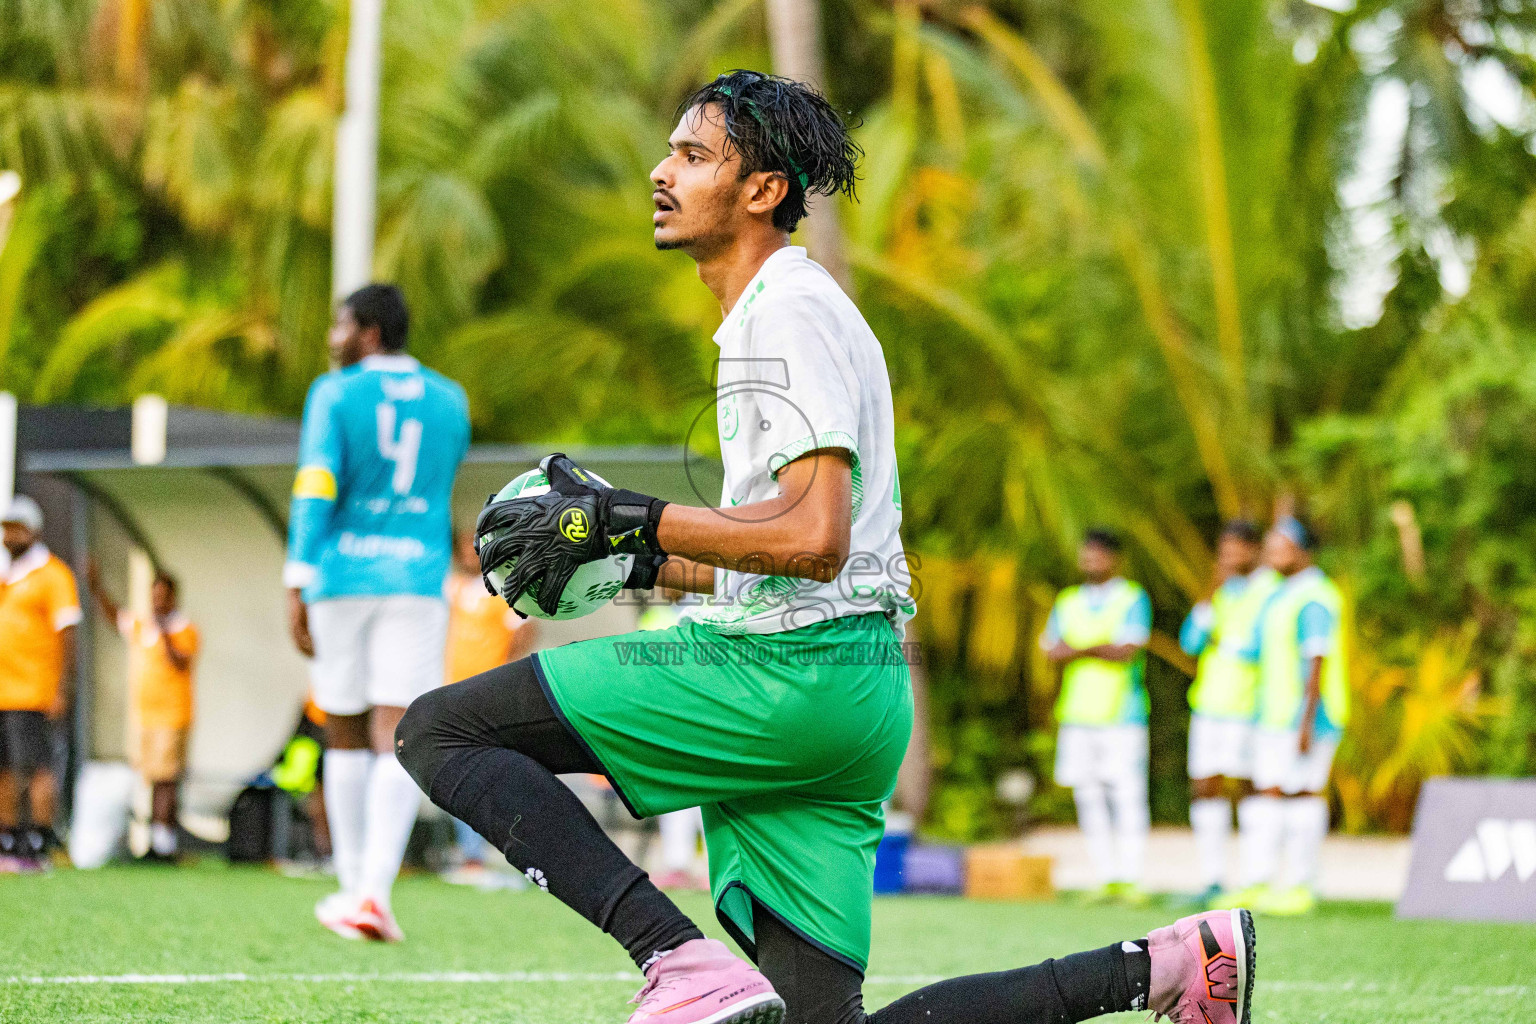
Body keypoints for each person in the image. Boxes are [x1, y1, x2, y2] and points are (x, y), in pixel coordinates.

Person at [394, 71, 1255, 1024]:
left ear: (763, 191)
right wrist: (641, 558)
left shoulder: (787, 312)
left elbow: (814, 539)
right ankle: (1165, 966)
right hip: (848, 688)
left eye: (691, 155)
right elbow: (785, 546)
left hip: (786, 677)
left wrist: (631, 521)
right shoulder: (777, 314)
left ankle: (672, 959)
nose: (660, 171)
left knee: (438, 731)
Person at [284, 283, 471, 941]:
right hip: (417, 576)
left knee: (342, 726)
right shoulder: (451, 400)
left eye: (340, 325)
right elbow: (437, 486)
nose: (333, 337)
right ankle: (374, 892)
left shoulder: (333, 393)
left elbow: (317, 481)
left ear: (366, 331)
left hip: (340, 573)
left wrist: (296, 575)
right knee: (397, 726)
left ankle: (350, 884)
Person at [1230, 516, 1349, 917]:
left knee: (1302, 795)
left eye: (1280, 546)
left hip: (1306, 718)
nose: (1271, 553)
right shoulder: (1282, 593)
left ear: (1302, 551)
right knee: (1270, 794)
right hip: (1274, 717)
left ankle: (1300, 885)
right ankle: (1260, 881)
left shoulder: (1314, 595)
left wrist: (1307, 723)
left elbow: (1316, 661)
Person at [1041, 528, 1154, 905]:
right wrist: (1097, 647)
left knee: (1126, 792)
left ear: (1114, 559)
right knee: (1087, 793)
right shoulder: (1068, 599)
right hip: (1077, 712)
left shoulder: (1132, 596)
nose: (1090, 560)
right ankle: (1105, 875)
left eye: (1098, 554)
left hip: (1121, 712)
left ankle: (1131, 876)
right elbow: (1051, 651)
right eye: (1086, 553)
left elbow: (1126, 650)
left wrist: (1078, 648)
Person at [1178, 521, 1278, 906]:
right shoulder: (1222, 591)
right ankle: (1212, 879)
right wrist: (1210, 593)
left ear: (1254, 550)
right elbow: (1191, 641)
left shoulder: (1270, 590)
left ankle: (1256, 876)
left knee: (1250, 786)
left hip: (1250, 707)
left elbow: (1261, 647)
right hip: (1209, 703)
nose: (1229, 558)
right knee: (1205, 785)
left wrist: (1231, 644)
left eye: (1236, 549)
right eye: (1224, 551)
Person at [85, 559, 200, 863]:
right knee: (150, 778)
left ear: (173, 598)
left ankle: (164, 844)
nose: (157, 602)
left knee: (167, 779)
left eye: (162, 596)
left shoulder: (184, 629)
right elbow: (114, 617)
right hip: (144, 716)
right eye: (154, 596)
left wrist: (164, 634)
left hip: (172, 716)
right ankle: (152, 842)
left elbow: (180, 661)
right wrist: (96, 587)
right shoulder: (141, 625)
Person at [442, 530, 536, 886]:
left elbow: (525, 629)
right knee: (460, 772)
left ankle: (515, 854)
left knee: (495, 772)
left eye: (476, 545)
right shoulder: (450, 587)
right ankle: (471, 857)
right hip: (452, 692)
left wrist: (505, 674)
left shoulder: (502, 588)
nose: (470, 552)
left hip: (490, 694)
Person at [0, 495, 81, 869]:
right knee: (4, 768)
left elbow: (68, 636)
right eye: (5, 528)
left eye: (15, 528)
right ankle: (8, 837)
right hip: (2, 691)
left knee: (33, 768)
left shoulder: (53, 574)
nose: (8, 535)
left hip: (33, 692)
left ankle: (37, 840)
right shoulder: (7, 575)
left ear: (32, 531)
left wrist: (62, 688)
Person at [637, 590, 706, 892]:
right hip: (670, 718)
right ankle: (678, 865)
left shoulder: (711, 610)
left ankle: (711, 866)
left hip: (701, 716)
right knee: (677, 797)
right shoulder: (656, 617)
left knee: (708, 797)